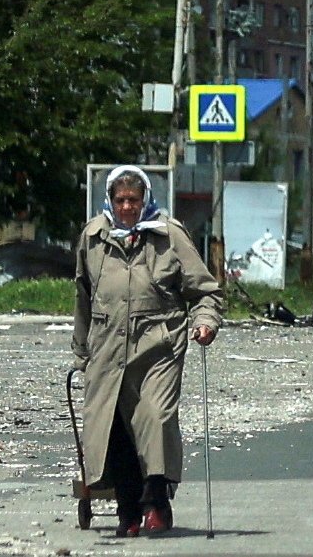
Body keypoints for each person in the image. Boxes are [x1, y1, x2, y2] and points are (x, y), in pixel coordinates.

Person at [73, 165, 222, 537]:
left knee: (154, 416)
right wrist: (81, 351)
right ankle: (128, 513)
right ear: (110, 200)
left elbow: (204, 290)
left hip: (159, 342)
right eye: (120, 200)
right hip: (108, 346)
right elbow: (83, 296)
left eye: (134, 200)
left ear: (146, 201)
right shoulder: (93, 237)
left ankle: (156, 500)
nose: (127, 207)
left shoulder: (168, 235)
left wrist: (205, 322)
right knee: (115, 429)